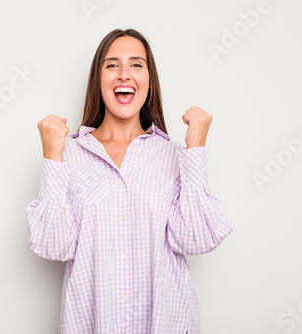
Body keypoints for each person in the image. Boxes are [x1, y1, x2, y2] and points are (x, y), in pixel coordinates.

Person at [26, 28, 233, 334]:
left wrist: (196, 149)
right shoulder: (69, 155)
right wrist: (52, 156)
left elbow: (196, 239)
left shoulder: (176, 156)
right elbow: (54, 246)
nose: (124, 74)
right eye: (112, 65)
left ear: (150, 80)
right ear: (99, 80)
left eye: (136, 64)